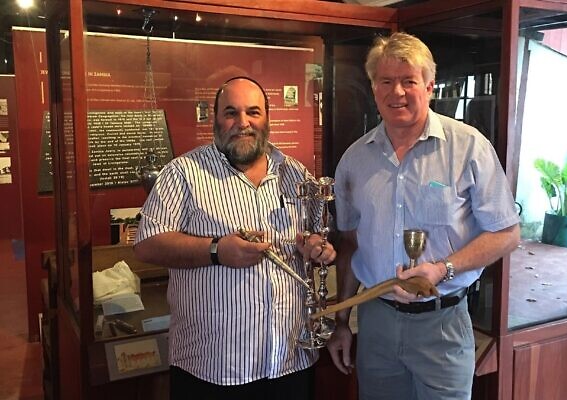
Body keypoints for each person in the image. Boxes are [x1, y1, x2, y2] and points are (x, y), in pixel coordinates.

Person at [327, 32, 521, 400]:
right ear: (373, 88)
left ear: (430, 86)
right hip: (376, 323)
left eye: (408, 81)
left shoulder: (469, 147)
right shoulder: (354, 159)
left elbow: (507, 233)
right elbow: (350, 244)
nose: (397, 92)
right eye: (386, 81)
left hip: (443, 324)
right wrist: (340, 323)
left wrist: (443, 269)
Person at [134, 76, 336, 400]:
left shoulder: (295, 173)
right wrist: (216, 250)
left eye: (253, 112)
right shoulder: (182, 173)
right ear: (215, 119)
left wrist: (314, 246)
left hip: (290, 360)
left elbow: (316, 234)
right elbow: (147, 243)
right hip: (214, 367)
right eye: (231, 113)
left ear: (267, 118)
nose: (243, 123)